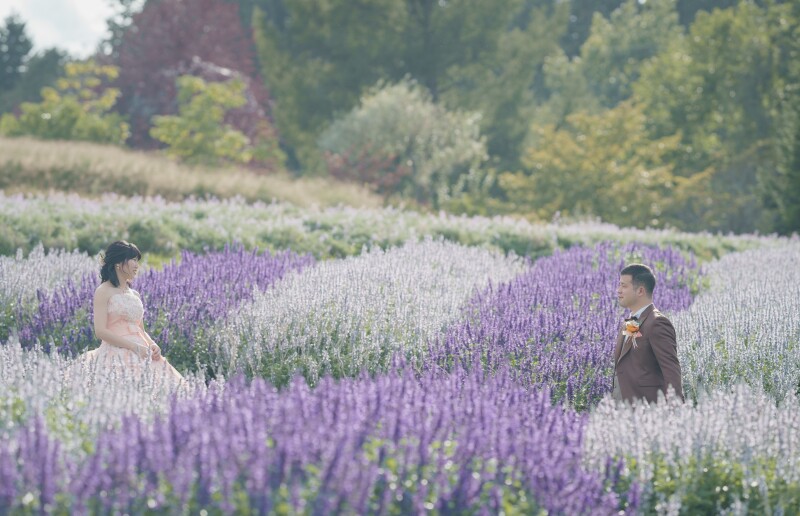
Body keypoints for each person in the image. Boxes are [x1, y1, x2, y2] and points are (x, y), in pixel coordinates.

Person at [82, 240, 183, 386]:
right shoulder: (103, 291)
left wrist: (152, 344)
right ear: (118, 263)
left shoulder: (134, 294)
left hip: (143, 351)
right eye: (133, 260)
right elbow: (101, 331)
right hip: (115, 351)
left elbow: (140, 329)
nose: (137, 265)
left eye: (137, 260)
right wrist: (134, 347)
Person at [612, 263, 683, 404]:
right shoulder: (632, 321)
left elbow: (671, 371)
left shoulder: (658, 323)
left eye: (624, 286)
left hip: (647, 413)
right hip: (624, 413)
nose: (618, 290)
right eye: (619, 285)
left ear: (640, 291)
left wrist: (675, 411)